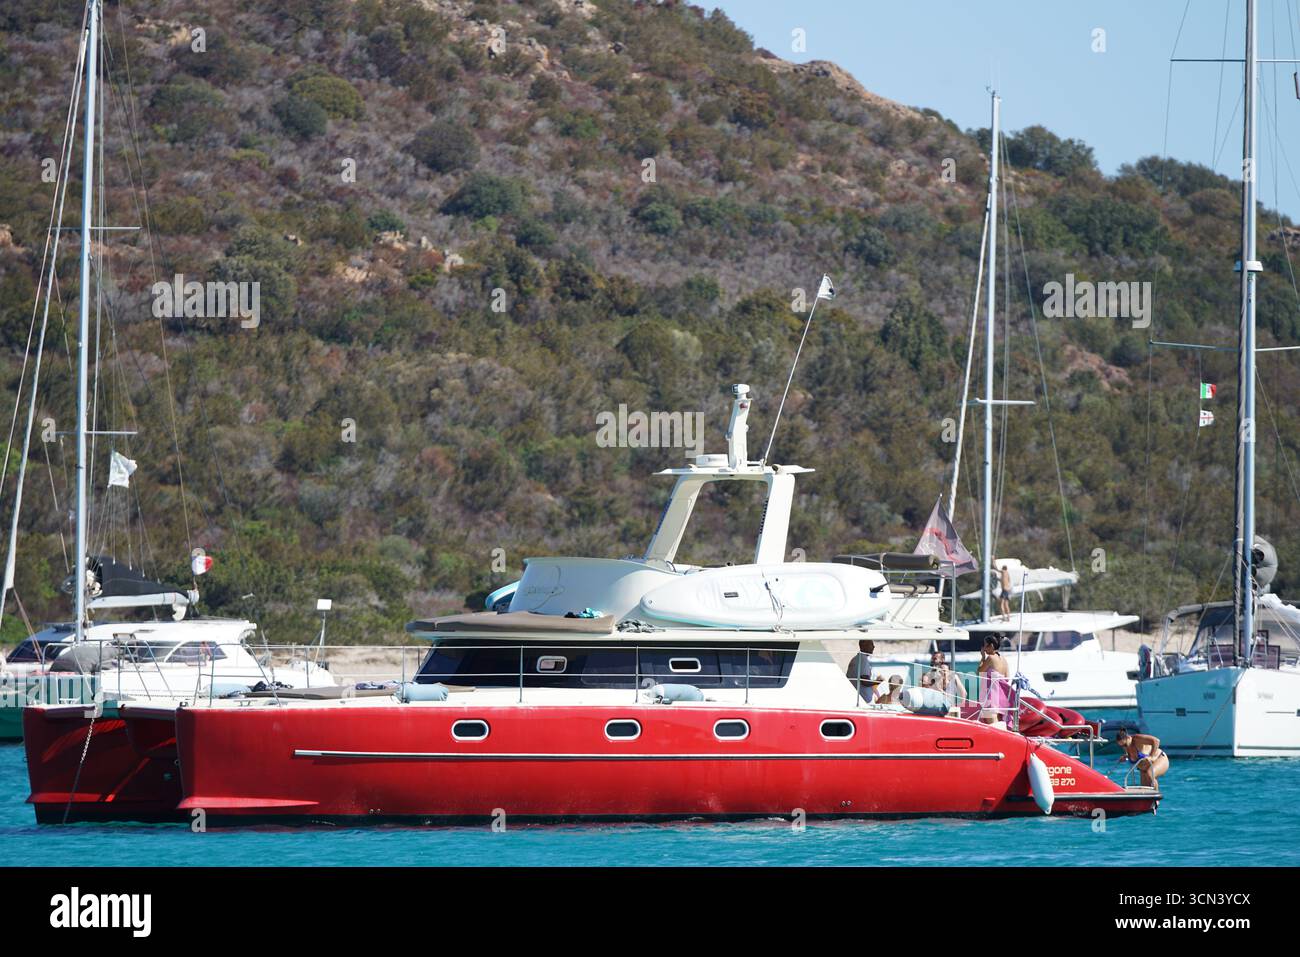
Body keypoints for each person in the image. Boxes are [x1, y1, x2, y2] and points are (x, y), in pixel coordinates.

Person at [977, 635, 1011, 724]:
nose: (983, 648)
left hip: (991, 697)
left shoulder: (991, 658)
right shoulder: (1003, 659)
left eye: (985, 645)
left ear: (991, 646)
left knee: (993, 727)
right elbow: (1007, 677)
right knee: (1001, 726)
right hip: (1002, 698)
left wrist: (983, 657)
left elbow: (980, 672)